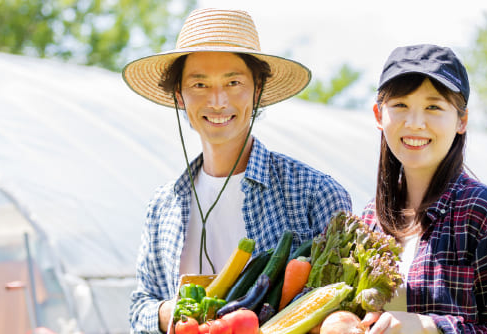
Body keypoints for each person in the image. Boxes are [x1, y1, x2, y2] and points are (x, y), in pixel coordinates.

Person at [122, 8, 352, 334]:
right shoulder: (163, 206)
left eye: (233, 82)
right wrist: (168, 313)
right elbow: (139, 306)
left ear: (257, 90)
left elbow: (344, 315)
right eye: (199, 84)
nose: (217, 100)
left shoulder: (314, 194)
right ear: (179, 96)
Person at [360, 45, 487, 333]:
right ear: (379, 115)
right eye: (400, 105)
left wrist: (429, 327)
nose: (415, 123)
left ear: (461, 120)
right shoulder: (368, 221)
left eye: (433, 107)